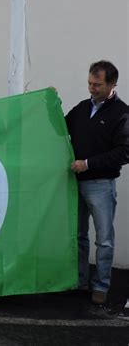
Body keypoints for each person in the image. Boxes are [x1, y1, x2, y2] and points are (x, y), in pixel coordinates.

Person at [65, 60, 129, 305]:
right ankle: (81, 281)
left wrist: (88, 164)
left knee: (103, 239)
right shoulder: (82, 108)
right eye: (90, 83)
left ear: (112, 84)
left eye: (97, 85)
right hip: (75, 182)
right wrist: (48, 103)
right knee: (78, 235)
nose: (92, 88)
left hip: (101, 184)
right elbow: (59, 125)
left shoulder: (122, 113)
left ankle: (100, 286)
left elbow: (124, 152)